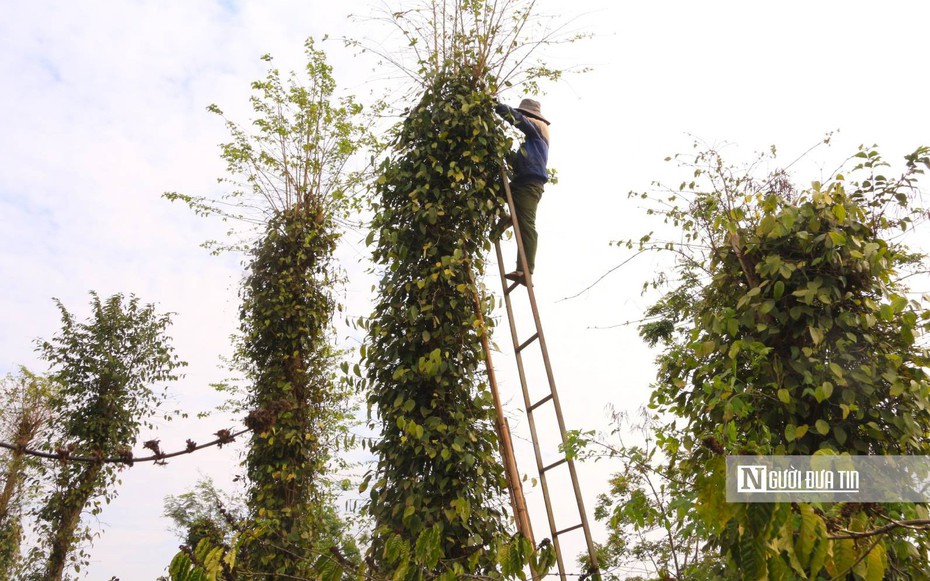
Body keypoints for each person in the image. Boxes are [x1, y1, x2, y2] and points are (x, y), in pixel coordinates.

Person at [494, 98, 550, 285]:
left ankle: (525, 271)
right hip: (519, 183)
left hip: (530, 185)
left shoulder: (539, 130)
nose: (525, 118)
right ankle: (507, 216)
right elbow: (518, 164)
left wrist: (499, 107)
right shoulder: (529, 145)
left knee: (527, 226)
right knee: (493, 189)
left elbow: (520, 121)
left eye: (526, 115)